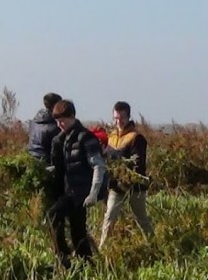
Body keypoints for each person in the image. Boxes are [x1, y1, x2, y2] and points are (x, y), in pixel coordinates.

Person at [47, 99, 106, 268]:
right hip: (68, 190)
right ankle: (87, 264)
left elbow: (98, 166)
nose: (59, 124)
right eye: (57, 121)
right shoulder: (61, 140)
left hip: (79, 192)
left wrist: (93, 193)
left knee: (53, 216)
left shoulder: (86, 138)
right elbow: (63, 166)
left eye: (62, 121)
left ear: (72, 116)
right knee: (77, 229)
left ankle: (62, 257)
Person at [99, 101, 154, 248]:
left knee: (141, 219)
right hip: (116, 187)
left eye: (121, 118)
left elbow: (139, 165)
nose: (118, 121)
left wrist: (127, 181)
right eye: (116, 118)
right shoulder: (111, 137)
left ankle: (154, 245)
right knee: (109, 216)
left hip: (135, 187)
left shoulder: (137, 138)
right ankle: (102, 249)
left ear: (128, 117)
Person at [27, 92, 62, 163]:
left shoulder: (34, 122)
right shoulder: (54, 127)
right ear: (54, 106)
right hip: (45, 162)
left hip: (32, 159)